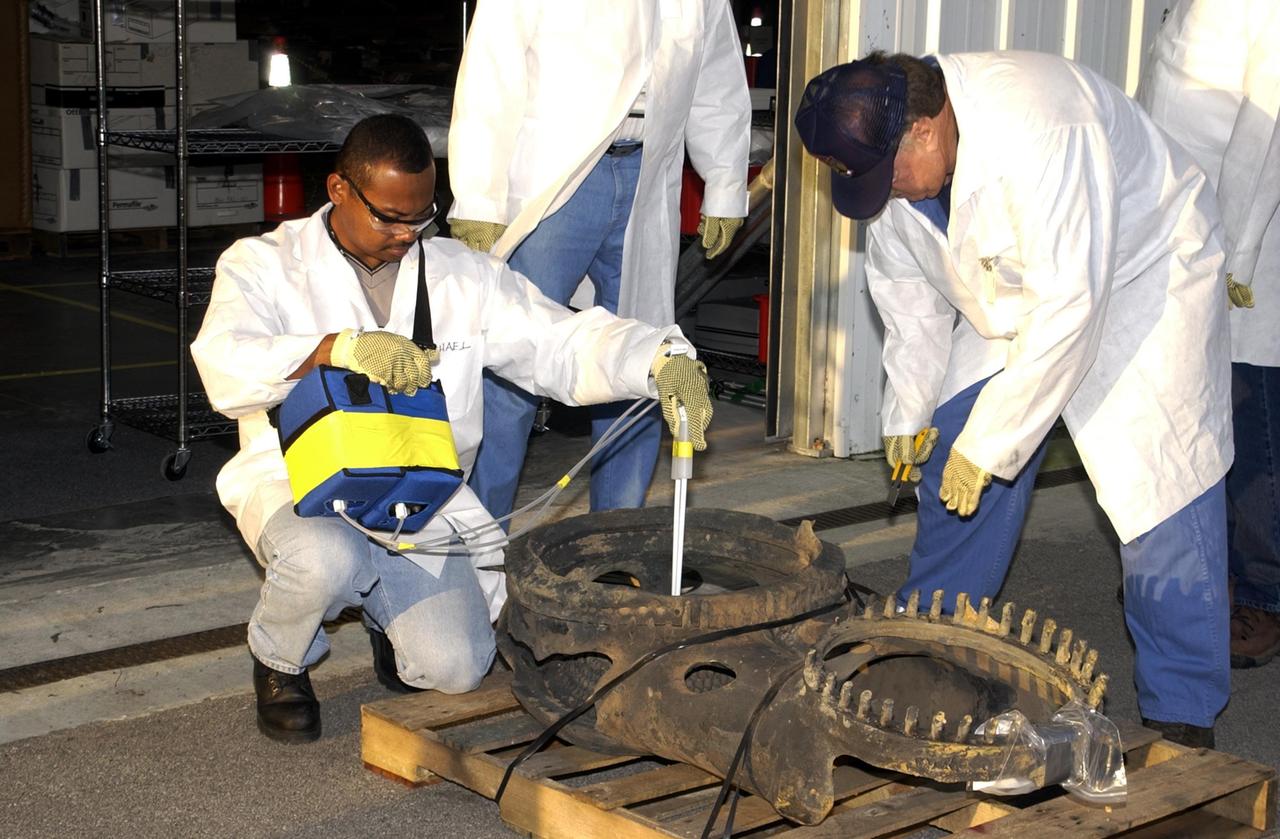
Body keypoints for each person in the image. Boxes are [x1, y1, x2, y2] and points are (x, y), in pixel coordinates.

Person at [191, 114, 713, 743]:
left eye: (420, 218)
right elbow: (224, 364)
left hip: (418, 496)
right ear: (337, 189)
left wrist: (655, 357)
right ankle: (280, 660)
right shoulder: (263, 264)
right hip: (303, 486)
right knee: (324, 557)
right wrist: (336, 349)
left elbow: (558, 340)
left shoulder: (461, 275)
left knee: (457, 667)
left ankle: (390, 618)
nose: (406, 235)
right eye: (388, 217)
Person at [794, 51, 1233, 747]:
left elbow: (1072, 308)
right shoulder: (898, 165)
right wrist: (906, 412)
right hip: (1021, 292)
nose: (887, 193)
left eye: (888, 175)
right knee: (950, 447)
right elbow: (908, 302)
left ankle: (1183, 718)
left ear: (927, 130)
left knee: (1159, 495)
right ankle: (931, 647)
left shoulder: (1044, 127)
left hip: (1143, 275)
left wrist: (993, 442)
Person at [446, 0, 751, 523]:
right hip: (556, 180)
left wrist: (725, 182)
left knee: (643, 359)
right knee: (506, 356)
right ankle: (477, 540)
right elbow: (490, 73)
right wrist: (478, 194)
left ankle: (616, 534)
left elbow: (716, 79)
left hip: (647, 174)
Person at [1137, 0, 1280, 670]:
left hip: (1247, 243)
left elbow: (1268, 128)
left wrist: (1242, 252)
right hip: (1198, 231)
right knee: (1206, 415)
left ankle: (1265, 595)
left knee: (1256, 431)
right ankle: (1212, 579)